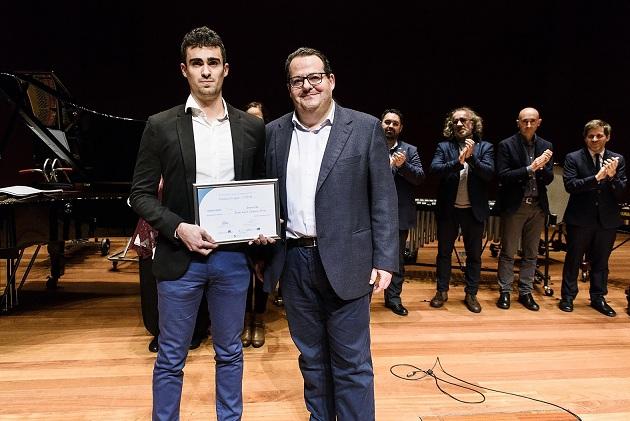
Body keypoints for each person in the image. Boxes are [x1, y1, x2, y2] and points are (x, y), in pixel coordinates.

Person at [129, 26, 269, 420]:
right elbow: (139, 194)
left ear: (226, 69)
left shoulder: (251, 128)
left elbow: (259, 190)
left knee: (230, 352)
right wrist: (178, 228)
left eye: (212, 63)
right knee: (172, 356)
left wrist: (260, 227)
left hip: (232, 259)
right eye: (197, 63)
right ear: (184, 70)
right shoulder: (160, 125)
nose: (205, 71)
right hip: (179, 257)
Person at [263, 47, 398, 420]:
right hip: (293, 261)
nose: (307, 86)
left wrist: (385, 259)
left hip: (348, 262)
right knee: (312, 358)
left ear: (331, 80)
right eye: (297, 80)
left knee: (352, 362)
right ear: (289, 88)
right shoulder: (273, 133)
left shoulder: (365, 127)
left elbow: (383, 199)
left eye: (314, 77)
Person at [429, 107, 495, 313]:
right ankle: (441, 291)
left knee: (474, 256)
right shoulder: (443, 147)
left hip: (473, 211)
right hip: (449, 210)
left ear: (473, 124)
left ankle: (471, 294)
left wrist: (472, 158)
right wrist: (457, 163)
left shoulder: (485, 147)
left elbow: (489, 174)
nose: (459, 124)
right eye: (455, 121)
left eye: (464, 120)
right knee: (443, 254)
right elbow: (434, 170)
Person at [559, 119, 627, 317]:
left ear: (607, 137)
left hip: (606, 219)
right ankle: (568, 297)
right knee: (573, 259)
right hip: (580, 218)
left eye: (599, 136)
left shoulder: (617, 159)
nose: (595, 139)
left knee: (601, 261)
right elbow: (571, 186)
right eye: (591, 136)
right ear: (585, 138)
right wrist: (596, 178)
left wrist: (613, 177)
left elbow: (621, 193)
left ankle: (598, 297)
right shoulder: (574, 158)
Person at [495, 107, 553, 311]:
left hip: (537, 206)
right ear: (518, 122)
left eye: (532, 121)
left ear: (539, 122)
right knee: (508, 252)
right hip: (515, 205)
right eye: (524, 121)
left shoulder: (546, 146)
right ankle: (505, 291)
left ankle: (526, 292)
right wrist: (531, 169)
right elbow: (502, 175)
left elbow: (549, 179)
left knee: (531, 253)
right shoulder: (506, 145)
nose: (528, 124)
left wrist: (543, 168)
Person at [380, 108, 425, 316]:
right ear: (381, 124)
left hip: (398, 214)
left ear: (400, 128)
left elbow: (419, 177)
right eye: (387, 122)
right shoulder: (371, 147)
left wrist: (403, 165)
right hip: (371, 213)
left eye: (395, 123)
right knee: (365, 258)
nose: (390, 126)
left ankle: (394, 298)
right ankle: (360, 300)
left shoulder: (410, 150)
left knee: (396, 259)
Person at [239, 101, 270, 348]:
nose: (254, 121)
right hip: (240, 219)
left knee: (262, 273)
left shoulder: (272, 143)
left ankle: (258, 320)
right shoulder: (236, 144)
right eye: (250, 118)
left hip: (264, 218)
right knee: (241, 273)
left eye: (258, 117)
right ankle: (241, 321)